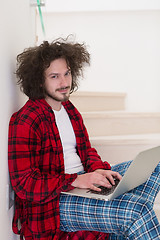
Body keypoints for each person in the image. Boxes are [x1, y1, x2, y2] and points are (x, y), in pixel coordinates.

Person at [8, 37, 160, 240]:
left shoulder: (69, 109)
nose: (64, 83)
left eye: (67, 73)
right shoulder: (27, 120)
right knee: (137, 211)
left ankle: (119, 228)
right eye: (54, 76)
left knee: (155, 166)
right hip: (56, 201)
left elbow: (86, 151)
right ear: (39, 80)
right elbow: (24, 183)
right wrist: (77, 180)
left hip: (83, 181)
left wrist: (98, 169)